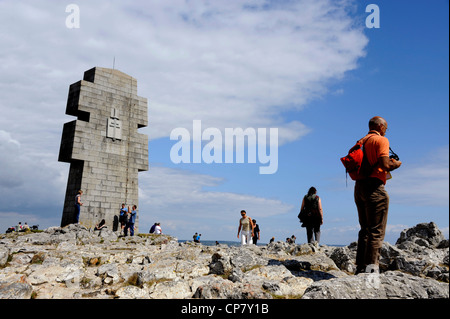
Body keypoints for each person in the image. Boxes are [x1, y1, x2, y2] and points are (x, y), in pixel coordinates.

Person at [354, 116, 401, 274]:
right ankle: (371, 272)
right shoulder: (382, 140)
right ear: (381, 127)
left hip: (359, 188)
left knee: (365, 230)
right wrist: (396, 164)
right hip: (375, 188)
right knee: (376, 231)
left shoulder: (360, 141)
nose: (386, 131)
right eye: (386, 128)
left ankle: (360, 268)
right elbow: (385, 164)